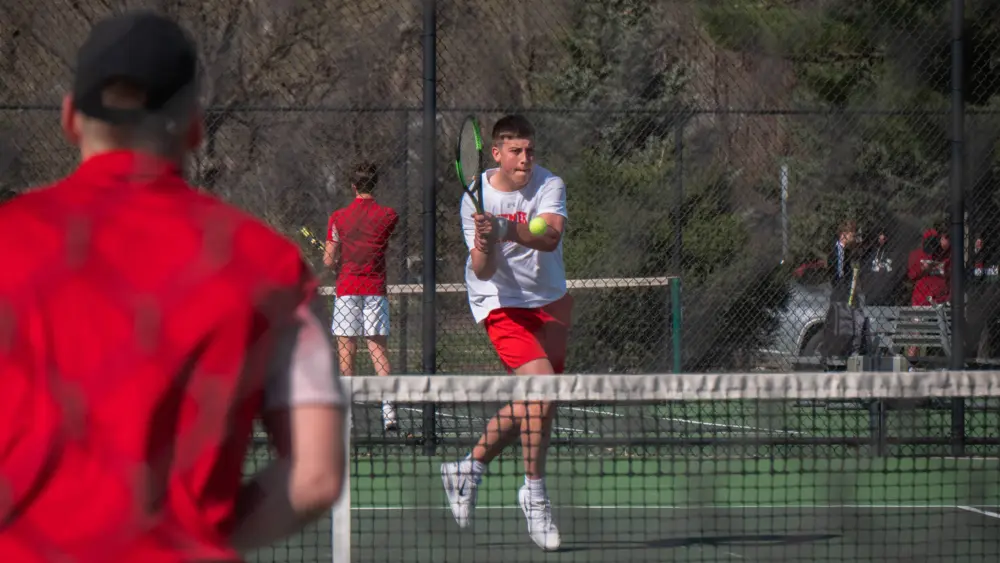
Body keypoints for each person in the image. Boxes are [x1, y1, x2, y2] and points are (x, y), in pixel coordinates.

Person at [0, 11, 346, 562]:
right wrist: (195, 537)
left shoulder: (11, 241)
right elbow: (317, 474)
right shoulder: (270, 267)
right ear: (194, 127)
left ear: (69, 119)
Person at [440, 115, 570, 552]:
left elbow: (550, 236)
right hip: (499, 302)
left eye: (530, 151)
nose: (525, 159)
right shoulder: (474, 196)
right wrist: (484, 242)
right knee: (542, 388)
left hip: (549, 300)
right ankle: (533, 493)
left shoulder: (550, 184)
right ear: (495, 153)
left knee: (536, 401)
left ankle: (468, 469)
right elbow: (483, 270)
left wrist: (504, 229)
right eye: (516, 151)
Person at [324, 161, 399, 430]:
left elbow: (328, 260)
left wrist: (334, 256)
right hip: (375, 290)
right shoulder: (389, 215)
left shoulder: (338, 217)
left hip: (347, 290)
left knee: (347, 352)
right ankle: (389, 412)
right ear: (374, 183)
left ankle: (348, 415)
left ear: (353, 186)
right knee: (378, 350)